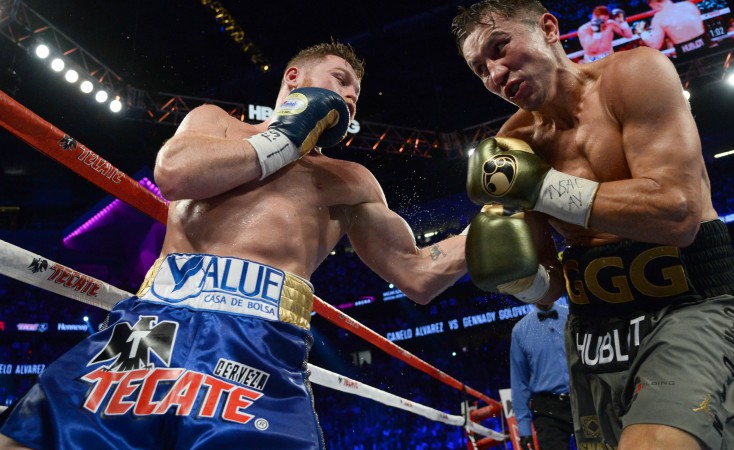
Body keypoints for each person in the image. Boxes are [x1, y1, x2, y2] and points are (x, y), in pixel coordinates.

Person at [0, 41, 467, 449]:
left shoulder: (351, 179)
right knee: (33, 431)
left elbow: (416, 274)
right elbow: (174, 174)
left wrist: (491, 227)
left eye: (355, 96)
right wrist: (284, 140)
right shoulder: (215, 123)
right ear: (294, 78)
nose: (348, 98)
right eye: (341, 81)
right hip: (155, 323)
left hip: (260, 338)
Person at [452, 1, 734, 449]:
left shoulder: (635, 75)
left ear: (548, 29)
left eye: (499, 48)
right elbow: (551, 284)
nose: (495, 74)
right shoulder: (513, 144)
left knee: (651, 442)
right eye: (480, 70)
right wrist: (519, 280)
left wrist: (541, 187)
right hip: (593, 326)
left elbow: (677, 213)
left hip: (687, 302)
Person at [510, 301, 572, 450]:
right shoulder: (520, 330)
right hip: (547, 410)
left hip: (582, 399)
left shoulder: (571, 317)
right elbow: (519, 382)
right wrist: (524, 428)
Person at [635, 0, 711, 57]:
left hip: (686, 57)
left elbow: (655, 45)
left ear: (653, 3)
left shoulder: (659, 17)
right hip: (708, 48)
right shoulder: (688, 5)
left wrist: (643, 33)